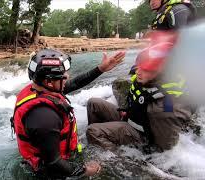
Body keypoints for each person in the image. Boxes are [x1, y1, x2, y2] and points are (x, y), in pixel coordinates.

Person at [11, 49, 126, 179]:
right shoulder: (44, 117)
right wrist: (85, 171)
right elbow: (53, 163)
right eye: (63, 75)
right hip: (49, 172)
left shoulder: (39, 88)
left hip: (54, 157)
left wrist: (101, 69)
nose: (67, 77)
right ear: (48, 82)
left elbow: (76, 83)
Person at [86, 42, 194, 152]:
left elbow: (164, 149)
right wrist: (128, 112)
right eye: (139, 67)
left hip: (142, 137)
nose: (137, 72)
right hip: (131, 119)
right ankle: (99, 142)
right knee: (93, 103)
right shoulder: (147, 82)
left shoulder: (166, 107)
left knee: (93, 131)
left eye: (145, 69)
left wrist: (143, 156)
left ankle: (116, 159)